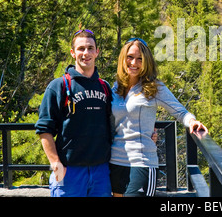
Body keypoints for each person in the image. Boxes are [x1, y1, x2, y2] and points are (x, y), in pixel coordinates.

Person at [109, 37, 208, 197]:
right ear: (123, 58)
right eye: (130, 57)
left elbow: (180, 111)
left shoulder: (154, 87)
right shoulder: (115, 87)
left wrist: (192, 122)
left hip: (142, 162)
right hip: (115, 161)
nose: (134, 63)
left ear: (146, 62)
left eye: (140, 59)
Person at [35, 29, 113, 197]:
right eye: (81, 48)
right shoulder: (59, 86)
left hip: (101, 172)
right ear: (72, 53)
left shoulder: (105, 87)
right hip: (69, 172)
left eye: (91, 48)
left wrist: (148, 133)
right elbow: (44, 129)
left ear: (97, 52)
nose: (86, 53)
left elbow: (118, 122)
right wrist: (55, 163)